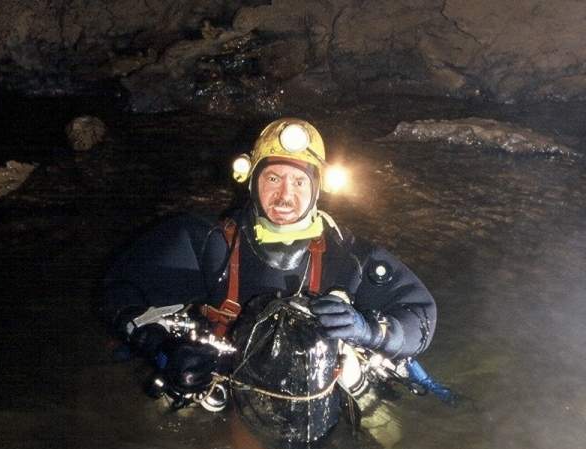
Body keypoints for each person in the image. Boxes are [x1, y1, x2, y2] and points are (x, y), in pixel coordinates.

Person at [103, 118, 437, 416]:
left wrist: (369, 330)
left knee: (388, 433)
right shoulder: (206, 243)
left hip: (314, 395)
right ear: (251, 180)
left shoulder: (348, 258)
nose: (284, 196)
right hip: (220, 381)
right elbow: (119, 293)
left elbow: (420, 313)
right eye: (273, 178)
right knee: (162, 414)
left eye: (299, 182)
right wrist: (165, 350)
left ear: (318, 188)